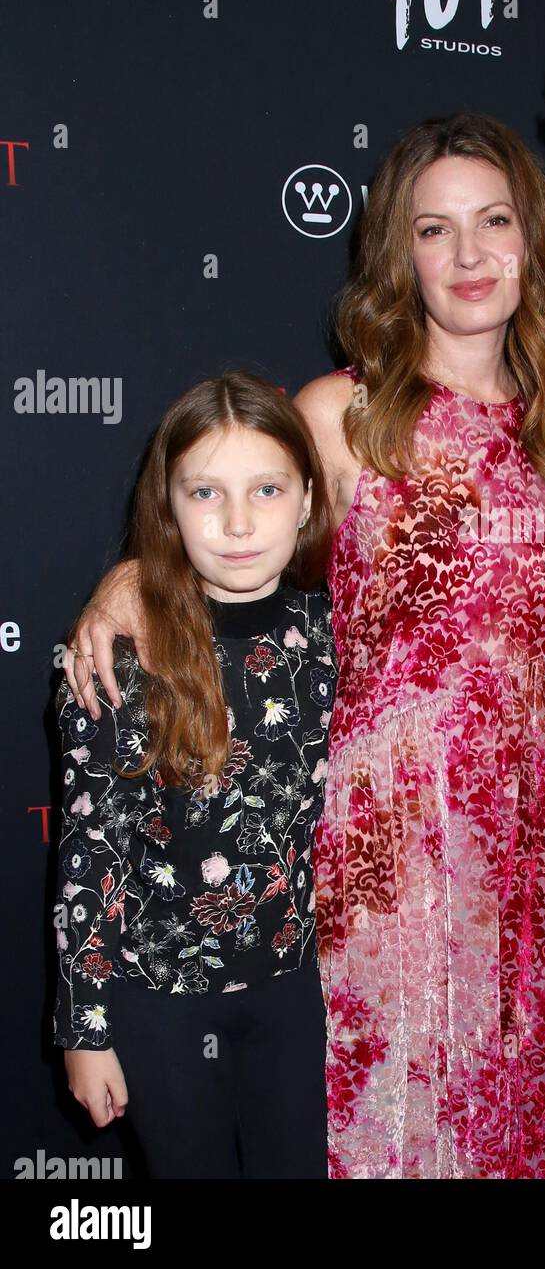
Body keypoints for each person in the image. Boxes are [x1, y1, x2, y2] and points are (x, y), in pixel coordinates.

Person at [63, 114, 545, 1179]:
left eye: (493, 222)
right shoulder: (340, 415)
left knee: (525, 1130)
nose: (467, 255)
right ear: (397, 254)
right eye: (433, 229)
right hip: (388, 851)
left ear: (533, 237)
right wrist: (127, 575)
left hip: (541, 845)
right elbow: (227, 520)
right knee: (397, 1129)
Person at [55, 371, 338, 1178]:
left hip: (301, 995)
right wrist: (86, 1029)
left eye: (268, 489)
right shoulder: (118, 657)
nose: (240, 522)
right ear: (169, 508)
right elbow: (89, 848)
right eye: (206, 492)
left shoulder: (338, 634)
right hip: (159, 1007)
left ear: (309, 500)